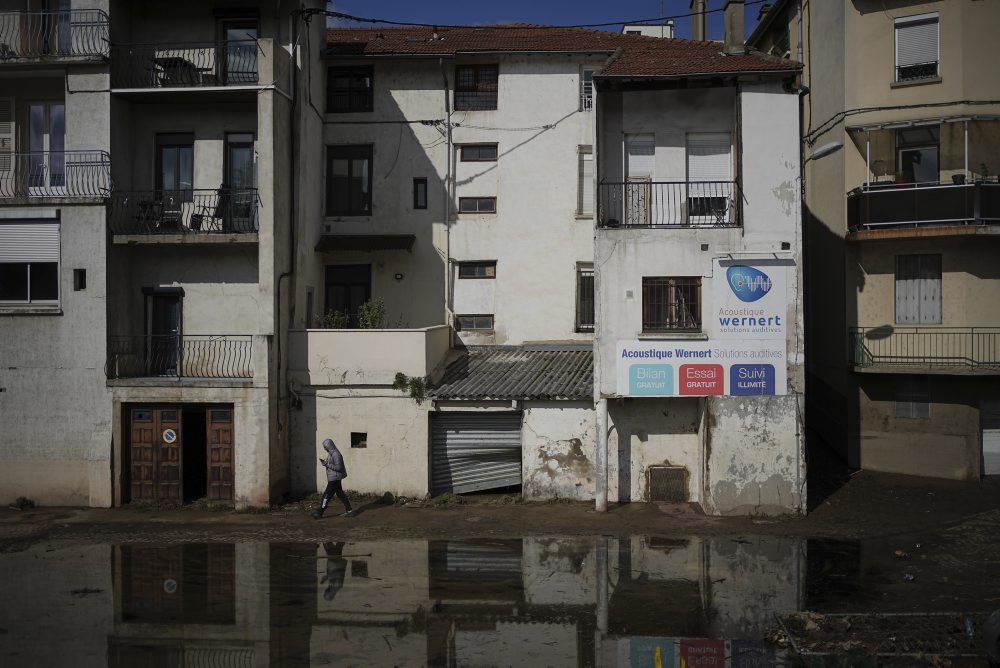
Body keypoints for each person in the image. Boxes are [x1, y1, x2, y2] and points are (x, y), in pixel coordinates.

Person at [312, 438, 355, 519]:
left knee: (326, 495)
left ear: (329, 446)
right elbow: (332, 464)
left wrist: (327, 464)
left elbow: (339, 467)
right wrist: (326, 462)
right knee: (340, 494)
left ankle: (320, 512)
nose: (324, 448)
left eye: (325, 447)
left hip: (335, 479)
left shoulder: (336, 454)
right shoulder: (331, 453)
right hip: (334, 478)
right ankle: (350, 511)